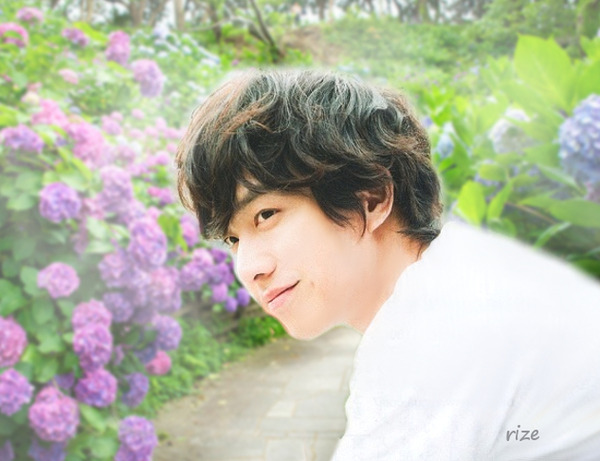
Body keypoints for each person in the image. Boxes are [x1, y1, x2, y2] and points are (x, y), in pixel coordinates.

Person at [175, 69, 600, 460]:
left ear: (372, 197)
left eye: (266, 215)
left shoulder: (429, 343)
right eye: (233, 239)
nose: (248, 267)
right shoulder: (466, 276)